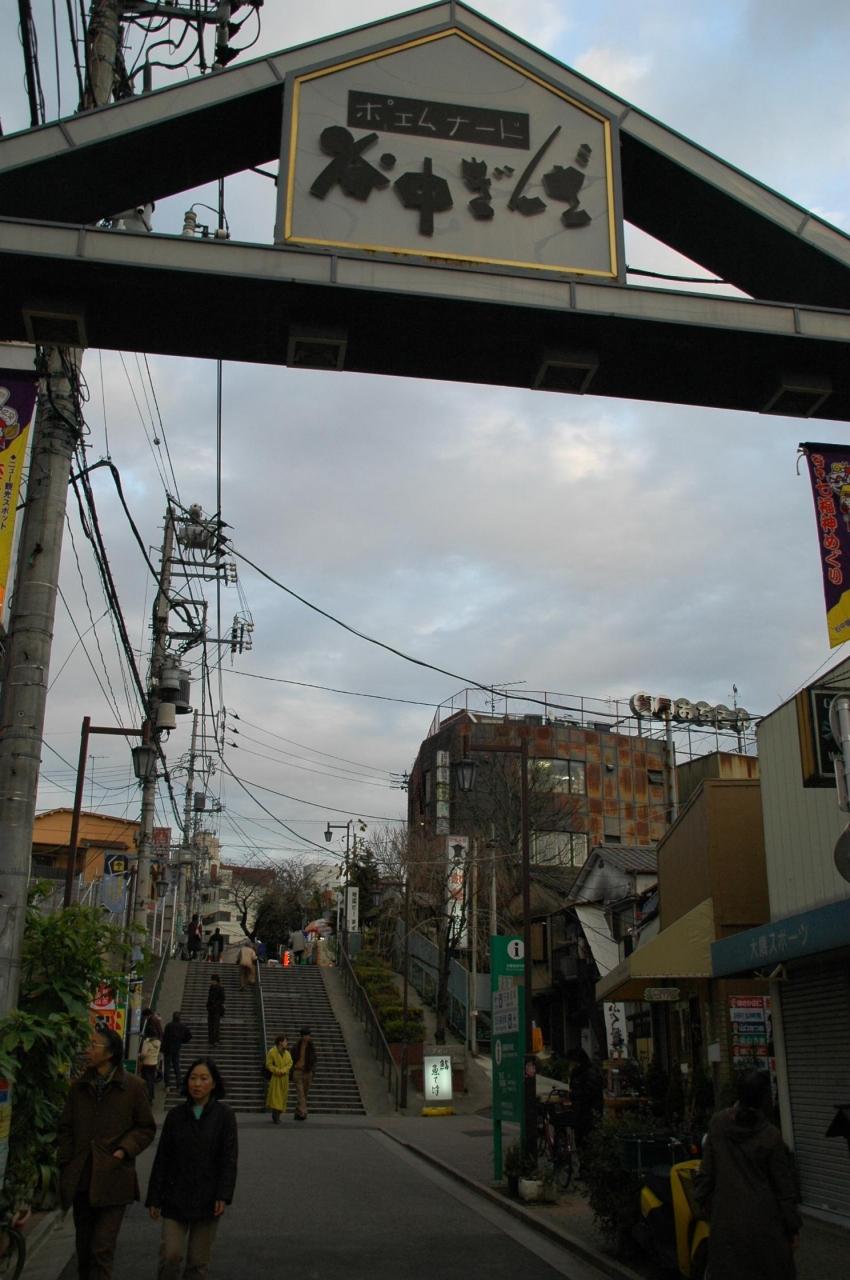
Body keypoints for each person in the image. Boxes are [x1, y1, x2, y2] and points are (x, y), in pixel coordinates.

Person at [58, 1026, 156, 1280]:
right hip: (82, 1177)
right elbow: (66, 1127)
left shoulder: (133, 1087)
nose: (87, 1050)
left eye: (94, 1045)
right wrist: (67, 1161)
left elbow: (145, 1127)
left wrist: (124, 1150)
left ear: (110, 1053)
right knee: (84, 1248)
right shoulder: (79, 1086)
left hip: (114, 1178)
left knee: (102, 1248)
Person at [694, 1069, 801, 1280]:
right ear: (764, 1099)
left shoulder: (718, 1125)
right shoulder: (770, 1135)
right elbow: (784, 1188)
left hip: (727, 1227)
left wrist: (705, 1207)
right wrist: (792, 1228)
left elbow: (705, 1175)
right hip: (767, 1229)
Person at [146, 1056, 238, 1280]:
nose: (197, 1084)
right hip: (175, 1195)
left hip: (207, 1196)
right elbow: (163, 1158)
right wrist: (154, 1197)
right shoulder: (176, 1115)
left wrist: (223, 1195)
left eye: (204, 1078)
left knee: (198, 1262)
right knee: (171, 1255)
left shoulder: (224, 1116)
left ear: (214, 1084)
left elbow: (228, 1159)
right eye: (193, 1078)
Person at [569, 1048, 604, 1151]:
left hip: (588, 1114)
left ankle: (587, 1164)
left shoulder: (590, 1074)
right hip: (581, 1113)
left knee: (587, 1142)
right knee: (580, 1141)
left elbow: (588, 1094)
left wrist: (574, 1095)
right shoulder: (577, 1073)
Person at [264, 1035, 292, 1125]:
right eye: (285, 1041)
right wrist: (276, 1070)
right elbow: (268, 1064)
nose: (286, 1043)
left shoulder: (287, 1053)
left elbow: (290, 1063)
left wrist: (284, 1070)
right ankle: (275, 1115)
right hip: (276, 1077)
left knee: (282, 1096)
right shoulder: (272, 1052)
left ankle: (278, 1114)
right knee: (276, 1096)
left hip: (284, 1078)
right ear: (280, 1042)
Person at [291, 1026, 317, 1122]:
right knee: (300, 1093)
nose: (309, 1037)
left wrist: (312, 1070)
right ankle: (304, 1111)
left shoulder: (311, 1047)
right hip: (297, 1072)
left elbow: (314, 1059)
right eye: (307, 1035)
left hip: (307, 1072)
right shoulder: (296, 1046)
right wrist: (293, 1068)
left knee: (304, 1094)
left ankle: (298, 1112)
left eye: (309, 1035)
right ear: (302, 1036)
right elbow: (291, 1058)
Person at [162, 1012, 193, 1090]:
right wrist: (182, 1041)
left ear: (173, 1017)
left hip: (168, 1049)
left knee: (167, 1067)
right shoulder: (183, 1026)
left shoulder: (168, 1026)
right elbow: (189, 1036)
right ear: (179, 1018)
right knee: (177, 1067)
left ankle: (167, 1085)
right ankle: (179, 1084)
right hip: (176, 1048)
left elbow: (164, 1037)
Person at [139, 1032, 162, 1103]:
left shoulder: (146, 1042)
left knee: (145, 1081)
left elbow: (143, 1054)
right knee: (151, 1081)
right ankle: (151, 1096)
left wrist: (140, 1057)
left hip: (146, 1064)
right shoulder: (158, 1042)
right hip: (154, 1064)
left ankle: (146, 1097)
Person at [206, 974, 225, 1047]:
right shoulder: (211, 987)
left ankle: (216, 1040)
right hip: (210, 1009)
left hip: (216, 1009)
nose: (210, 981)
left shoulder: (220, 988)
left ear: (215, 981)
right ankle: (211, 1040)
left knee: (216, 1025)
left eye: (212, 980)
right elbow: (209, 997)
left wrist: (216, 1005)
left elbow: (222, 999)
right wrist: (208, 1006)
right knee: (210, 1025)